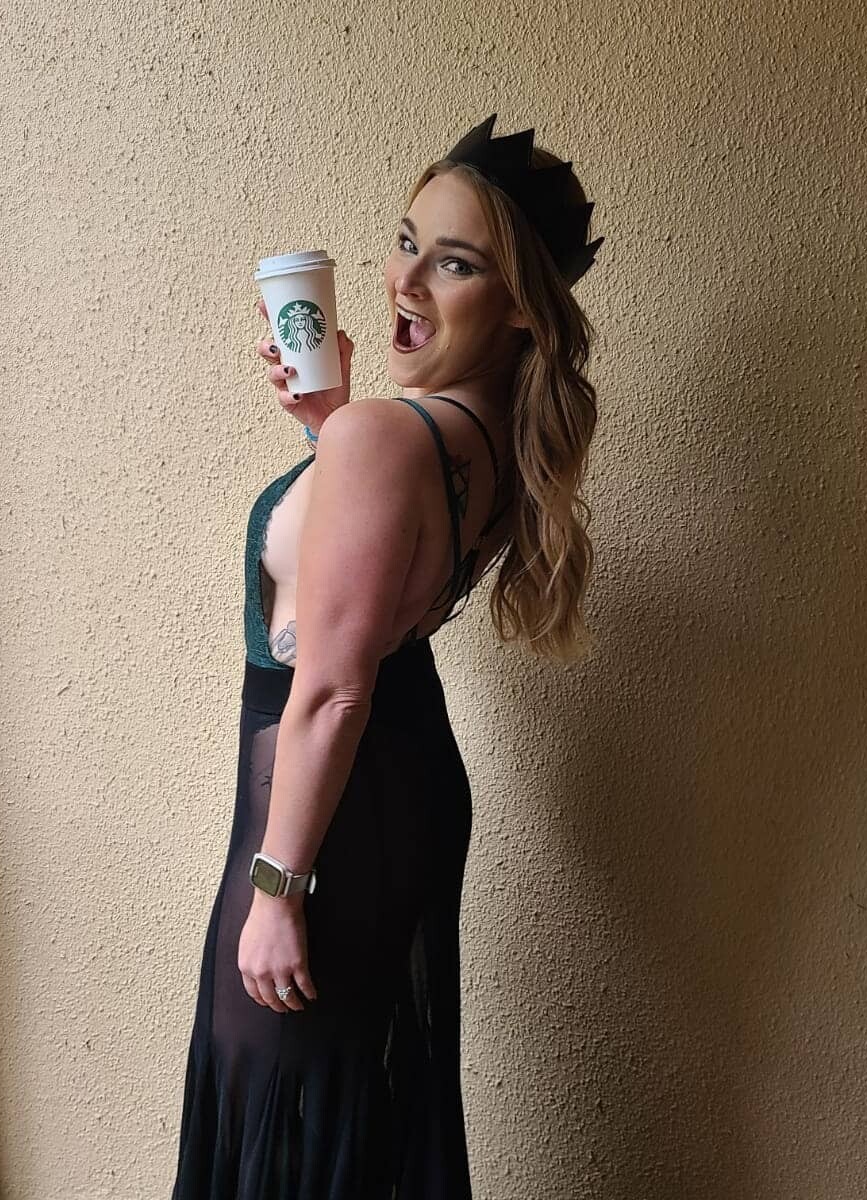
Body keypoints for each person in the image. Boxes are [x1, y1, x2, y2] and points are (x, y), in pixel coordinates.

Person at [169, 113, 605, 1199]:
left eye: (453, 262)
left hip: (326, 809)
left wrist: (279, 889)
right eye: (407, 241)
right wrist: (331, 427)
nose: (405, 279)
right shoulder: (483, 434)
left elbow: (330, 687)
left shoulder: (389, 434)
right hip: (399, 785)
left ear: (519, 304)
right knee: (341, 1105)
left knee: (271, 1110)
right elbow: (383, 582)